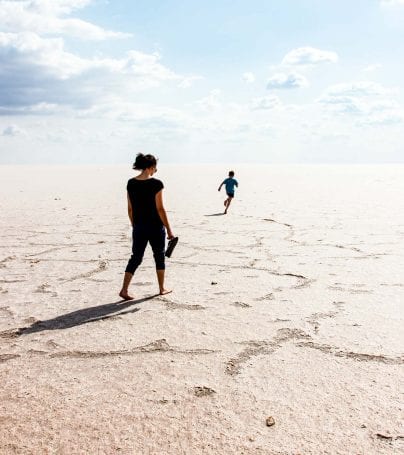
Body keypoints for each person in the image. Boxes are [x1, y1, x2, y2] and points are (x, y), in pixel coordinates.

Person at [119, 153, 174, 300]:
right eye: (155, 168)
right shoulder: (156, 184)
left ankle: (124, 289)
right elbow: (160, 209)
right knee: (159, 256)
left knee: (135, 257)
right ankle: (162, 288)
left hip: (139, 227)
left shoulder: (131, 183)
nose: (155, 171)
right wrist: (169, 229)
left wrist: (134, 225)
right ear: (150, 167)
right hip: (156, 227)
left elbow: (130, 209)